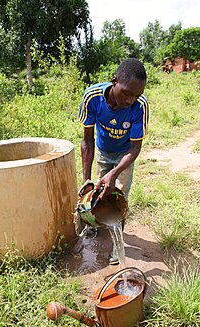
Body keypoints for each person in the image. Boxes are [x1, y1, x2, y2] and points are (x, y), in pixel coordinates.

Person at [78, 58, 149, 264]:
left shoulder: (139, 106)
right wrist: (86, 179)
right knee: (99, 193)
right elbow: (87, 140)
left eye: (137, 95)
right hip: (102, 150)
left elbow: (135, 148)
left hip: (125, 155)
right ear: (114, 80)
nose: (130, 100)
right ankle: (96, 226)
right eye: (127, 93)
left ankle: (117, 247)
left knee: (119, 197)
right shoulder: (93, 98)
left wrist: (114, 173)